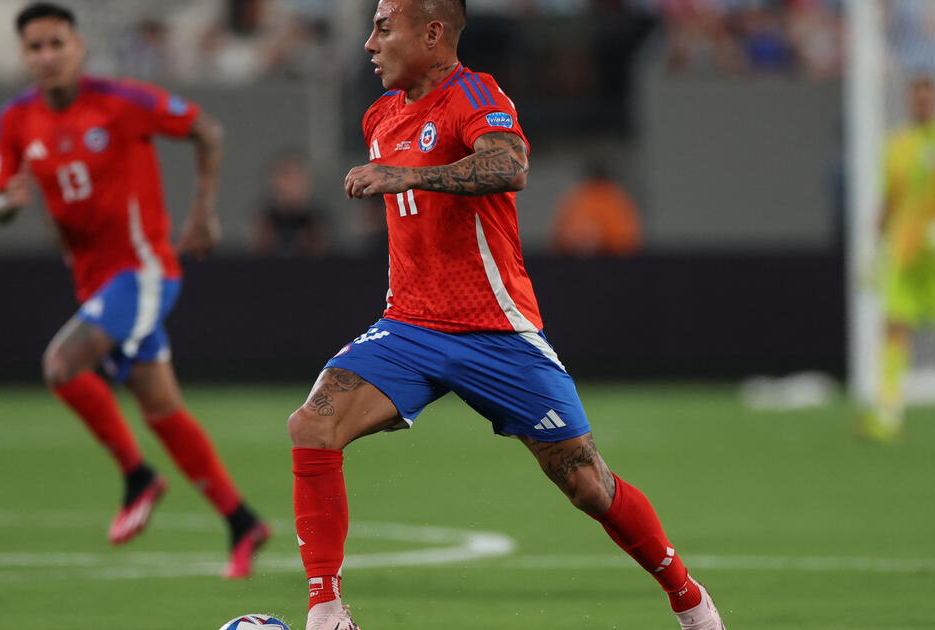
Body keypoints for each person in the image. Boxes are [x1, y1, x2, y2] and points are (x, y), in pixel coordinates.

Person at [287, 1, 726, 629]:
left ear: (431, 32)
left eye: (384, 27)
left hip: (497, 333)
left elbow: (509, 164)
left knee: (587, 485)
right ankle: (326, 612)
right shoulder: (380, 115)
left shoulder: (475, 94)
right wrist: (399, 175)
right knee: (313, 424)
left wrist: (405, 175)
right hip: (409, 327)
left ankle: (689, 600)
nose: (368, 43)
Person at [0, 2, 269, 577]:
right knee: (161, 407)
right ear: (24, 56)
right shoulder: (17, 118)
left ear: (78, 47)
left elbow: (206, 129)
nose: (46, 56)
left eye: (56, 43)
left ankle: (139, 477)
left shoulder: (122, 101)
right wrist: (4, 204)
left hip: (143, 272)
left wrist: (204, 213)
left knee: (61, 366)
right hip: (95, 282)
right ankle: (242, 522)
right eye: (35, 47)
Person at [861, 75, 935, 444]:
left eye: (928, 99)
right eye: (917, 99)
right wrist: (874, 249)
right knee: (895, 325)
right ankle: (888, 415)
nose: (922, 105)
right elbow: (891, 199)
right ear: (908, 102)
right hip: (906, 250)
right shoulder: (897, 145)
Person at [549, 160, 642, 257]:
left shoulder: (576, 197)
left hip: (582, 261)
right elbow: (629, 241)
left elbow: (559, 238)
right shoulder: (617, 198)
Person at [250, 151, 330, 258]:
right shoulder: (264, 223)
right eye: (284, 177)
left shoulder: (317, 223)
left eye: (295, 178)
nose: (288, 185)